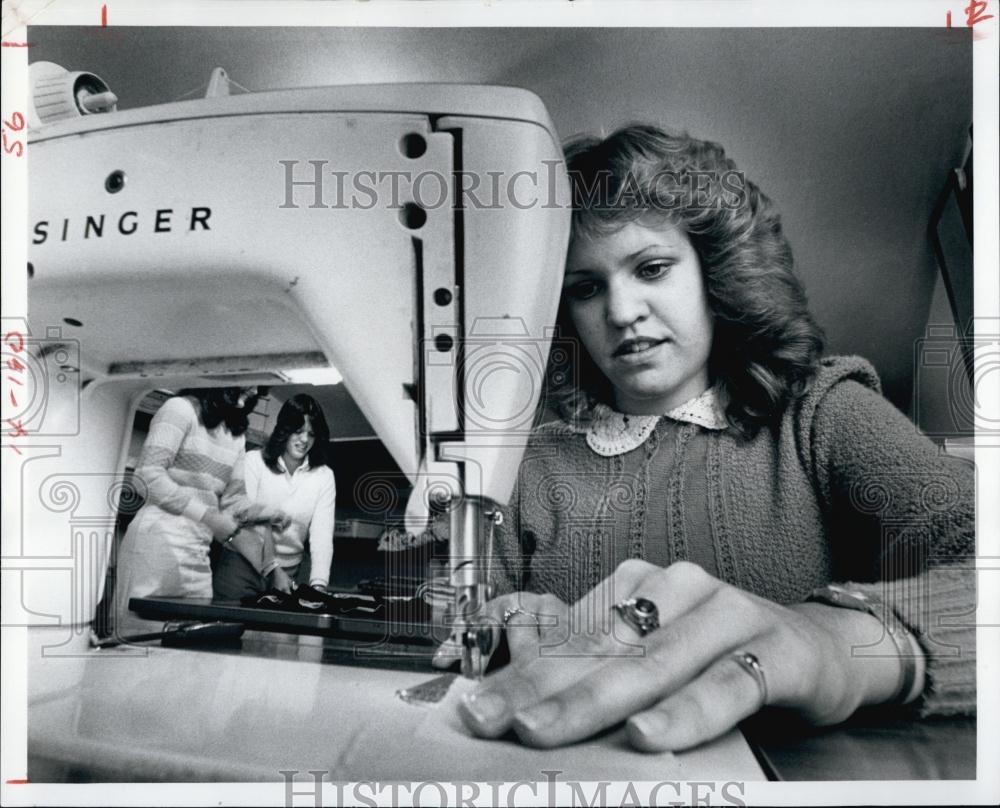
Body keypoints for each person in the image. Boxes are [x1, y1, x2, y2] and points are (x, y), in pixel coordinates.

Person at [441, 125, 976, 752]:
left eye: (652, 268)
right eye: (584, 289)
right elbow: (442, 615)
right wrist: (498, 620)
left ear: (715, 273)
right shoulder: (526, 468)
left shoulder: (823, 415)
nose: (620, 311)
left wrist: (831, 643)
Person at [114, 386, 288, 635]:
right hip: (157, 543)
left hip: (198, 551)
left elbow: (232, 500)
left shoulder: (235, 434)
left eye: (259, 388)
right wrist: (209, 517)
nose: (253, 391)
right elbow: (147, 477)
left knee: (191, 645)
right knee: (140, 639)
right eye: (250, 381)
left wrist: (267, 512)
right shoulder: (179, 409)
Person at [212, 393, 336, 601]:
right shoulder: (254, 462)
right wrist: (272, 569)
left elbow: (321, 536)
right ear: (284, 430)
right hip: (241, 568)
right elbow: (245, 520)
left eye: (311, 434)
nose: (304, 440)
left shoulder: (324, 476)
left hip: (287, 577)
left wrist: (319, 586)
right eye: (298, 431)